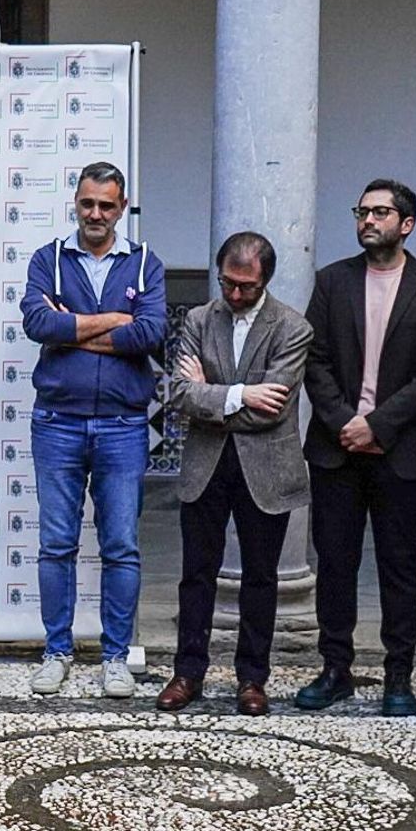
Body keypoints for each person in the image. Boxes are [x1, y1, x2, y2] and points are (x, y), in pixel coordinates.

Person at [297, 179, 416, 716]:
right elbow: (312, 361)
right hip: (336, 448)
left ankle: (398, 675)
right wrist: (346, 421)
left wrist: (377, 425)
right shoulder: (331, 282)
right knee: (335, 563)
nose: (368, 220)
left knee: (399, 564)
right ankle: (335, 668)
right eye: (362, 211)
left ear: (406, 224)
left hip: (400, 450)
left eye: (380, 212)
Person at [20, 161, 167, 698]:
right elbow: (38, 324)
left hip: (124, 425)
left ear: (122, 207)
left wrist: (75, 327)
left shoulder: (145, 261)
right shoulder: (49, 259)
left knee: (121, 545)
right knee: (56, 543)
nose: (96, 214)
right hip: (57, 422)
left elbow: (151, 332)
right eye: (88, 203)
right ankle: (56, 651)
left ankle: (115, 658)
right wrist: (113, 321)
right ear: (76, 203)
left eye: (107, 205)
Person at [157, 232, 312, 717]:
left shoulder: (292, 327)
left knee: (261, 578)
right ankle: (188, 673)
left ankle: (252, 679)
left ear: (265, 279)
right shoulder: (199, 320)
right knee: (196, 574)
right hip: (206, 465)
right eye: (228, 283)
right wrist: (243, 394)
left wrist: (216, 395)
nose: (236, 294)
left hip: (266, 468)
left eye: (246, 286)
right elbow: (180, 395)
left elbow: (275, 407)